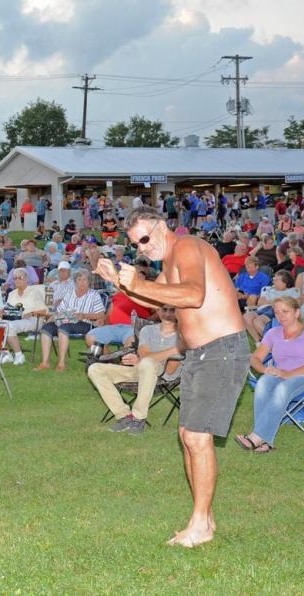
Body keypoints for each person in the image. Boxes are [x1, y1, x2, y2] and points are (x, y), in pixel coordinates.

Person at [95, 205, 250, 548]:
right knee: (187, 435)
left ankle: (200, 525)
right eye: (137, 244)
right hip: (199, 353)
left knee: (196, 437)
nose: (143, 248)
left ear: (162, 226)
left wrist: (138, 281)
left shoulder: (188, 246)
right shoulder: (170, 261)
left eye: (146, 239)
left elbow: (193, 295)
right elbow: (154, 301)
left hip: (221, 349)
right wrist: (121, 283)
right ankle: (204, 518)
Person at [235, 296, 304, 452]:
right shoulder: (273, 333)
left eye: (285, 311)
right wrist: (264, 370)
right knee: (263, 382)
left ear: (297, 312)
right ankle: (265, 443)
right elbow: (255, 357)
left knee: (282, 388)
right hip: (281, 374)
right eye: (277, 312)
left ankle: (256, 437)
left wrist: (289, 374)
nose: (280, 316)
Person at [86, 305, 182, 434]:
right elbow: (143, 354)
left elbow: (170, 369)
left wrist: (146, 358)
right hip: (140, 369)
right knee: (95, 369)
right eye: (163, 309)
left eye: (172, 309)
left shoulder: (184, 334)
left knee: (148, 363)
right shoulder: (147, 330)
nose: (167, 313)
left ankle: (138, 418)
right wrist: (172, 350)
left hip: (164, 375)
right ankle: (124, 416)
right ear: (158, 311)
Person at [34, 270, 105, 372]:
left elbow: (101, 315)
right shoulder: (70, 293)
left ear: (89, 281)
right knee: (46, 328)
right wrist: (52, 318)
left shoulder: (94, 295)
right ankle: (45, 362)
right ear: (75, 282)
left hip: (84, 323)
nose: (82, 282)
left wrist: (84, 315)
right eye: (79, 280)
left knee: (64, 328)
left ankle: (61, 363)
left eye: (85, 280)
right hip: (65, 320)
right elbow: (59, 311)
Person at [0, 268, 48, 365]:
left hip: (33, 319)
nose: (17, 280)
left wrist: (31, 313)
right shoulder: (12, 294)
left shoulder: (34, 292)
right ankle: (6, 354)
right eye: (15, 278)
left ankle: (19, 355)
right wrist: (1, 312)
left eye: (20, 278)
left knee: (8, 326)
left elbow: (45, 311)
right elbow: (8, 309)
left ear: (26, 279)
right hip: (14, 319)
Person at [243, 270, 299, 340]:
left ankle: (276, 344)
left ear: (285, 282)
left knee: (258, 322)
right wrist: (273, 301)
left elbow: (295, 303)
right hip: (263, 309)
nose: (273, 282)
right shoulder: (269, 290)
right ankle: (259, 342)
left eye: (276, 280)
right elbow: (260, 303)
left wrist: (271, 302)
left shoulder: (292, 291)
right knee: (246, 317)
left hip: (276, 310)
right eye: (274, 279)